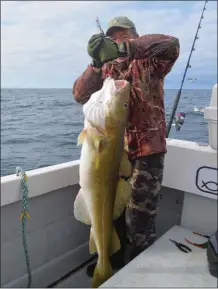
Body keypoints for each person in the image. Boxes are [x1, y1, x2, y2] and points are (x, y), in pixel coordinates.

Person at [73, 16, 180, 276]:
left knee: (140, 217)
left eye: (123, 36)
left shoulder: (151, 61)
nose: (117, 41)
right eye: (113, 38)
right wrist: (96, 63)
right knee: (116, 212)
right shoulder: (108, 69)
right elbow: (80, 95)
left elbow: (171, 44)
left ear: (134, 35)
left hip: (146, 153)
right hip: (115, 151)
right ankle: (113, 259)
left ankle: (139, 268)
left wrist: (126, 49)